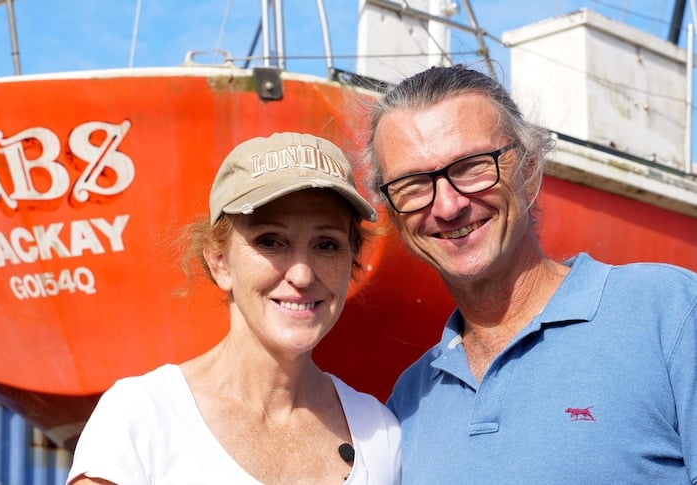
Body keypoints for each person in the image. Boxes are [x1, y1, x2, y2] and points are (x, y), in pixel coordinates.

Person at [365, 64, 697, 483]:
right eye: (413, 183)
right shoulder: (409, 402)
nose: (448, 206)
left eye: (471, 166)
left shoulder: (669, 314)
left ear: (529, 167)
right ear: (392, 214)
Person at [67, 132, 401, 485]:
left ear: (351, 264)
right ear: (220, 262)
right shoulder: (142, 417)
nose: (302, 274)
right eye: (270, 242)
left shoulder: (380, 434)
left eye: (326, 245)